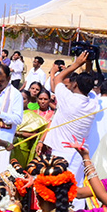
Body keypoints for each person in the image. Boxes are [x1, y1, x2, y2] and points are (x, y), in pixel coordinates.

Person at [43, 52, 99, 180]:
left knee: (59, 187)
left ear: (75, 84)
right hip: (79, 154)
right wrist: (88, 64)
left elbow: (57, 79)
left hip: (61, 152)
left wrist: (77, 64)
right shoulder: (93, 102)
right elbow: (90, 89)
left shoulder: (67, 98)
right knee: (75, 189)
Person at [0, 63, 24, 177]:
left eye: (1, 81)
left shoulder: (15, 94)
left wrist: (1, 114)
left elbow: (18, 119)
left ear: (9, 78)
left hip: (3, 143)